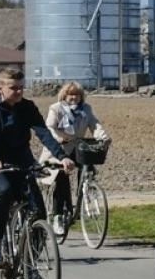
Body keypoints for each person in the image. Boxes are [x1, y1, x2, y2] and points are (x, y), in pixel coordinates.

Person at [0, 69, 73, 269]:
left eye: (21, 87)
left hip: (23, 165)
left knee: (39, 214)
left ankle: (30, 267)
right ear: (0, 88)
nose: (19, 92)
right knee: (3, 191)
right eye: (14, 88)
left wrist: (62, 156)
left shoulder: (27, 107)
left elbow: (43, 133)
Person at [44, 81, 109, 235]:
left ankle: (83, 198)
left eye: (77, 95)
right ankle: (58, 216)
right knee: (61, 178)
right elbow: (49, 127)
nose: (74, 97)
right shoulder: (56, 108)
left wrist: (103, 137)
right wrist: (58, 138)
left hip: (78, 147)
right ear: (64, 95)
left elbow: (95, 125)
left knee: (88, 169)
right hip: (60, 149)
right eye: (70, 94)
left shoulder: (86, 109)